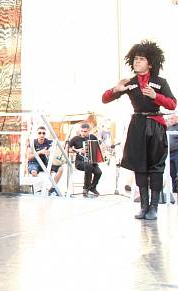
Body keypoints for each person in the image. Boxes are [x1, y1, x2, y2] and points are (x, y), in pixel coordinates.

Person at [102, 41, 176, 220]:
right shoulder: (130, 83)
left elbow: (173, 104)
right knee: (139, 166)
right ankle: (144, 206)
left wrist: (156, 96)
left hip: (155, 124)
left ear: (150, 63)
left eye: (141, 59)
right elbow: (104, 99)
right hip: (137, 124)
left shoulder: (160, 82)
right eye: (135, 59)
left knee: (156, 167)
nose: (137, 62)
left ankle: (154, 208)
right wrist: (115, 90)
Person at [68, 124, 103, 198]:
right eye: (82, 131)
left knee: (99, 172)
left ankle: (92, 187)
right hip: (80, 162)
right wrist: (78, 150)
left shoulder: (92, 137)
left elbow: (98, 147)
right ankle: (85, 188)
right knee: (88, 166)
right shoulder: (75, 138)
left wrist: (101, 150)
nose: (83, 133)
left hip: (92, 161)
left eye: (85, 131)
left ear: (89, 131)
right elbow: (67, 149)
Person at [27, 127, 65, 195]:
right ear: (37, 134)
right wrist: (40, 152)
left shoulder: (49, 142)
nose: (41, 135)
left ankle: (53, 188)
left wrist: (51, 153)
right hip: (35, 162)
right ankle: (39, 190)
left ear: (45, 134)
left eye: (43, 133)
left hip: (46, 162)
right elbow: (29, 157)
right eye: (39, 133)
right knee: (33, 172)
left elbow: (59, 149)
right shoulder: (32, 143)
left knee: (61, 168)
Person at [167, 115, 178, 195]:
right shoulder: (168, 127)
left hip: (176, 152)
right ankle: (174, 189)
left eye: (172, 118)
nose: (170, 120)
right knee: (172, 172)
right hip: (169, 153)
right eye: (169, 118)